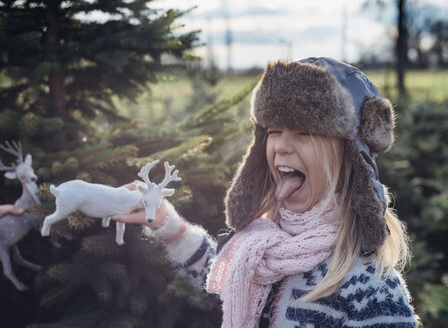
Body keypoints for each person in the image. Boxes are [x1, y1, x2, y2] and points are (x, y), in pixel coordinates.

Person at [113, 57, 419, 327]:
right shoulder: (262, 249)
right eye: (274, 132)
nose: (283, 146)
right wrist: (168, 224)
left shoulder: (371, 289)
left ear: (347, 157)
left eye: (304, 133)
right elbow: (223, 275)